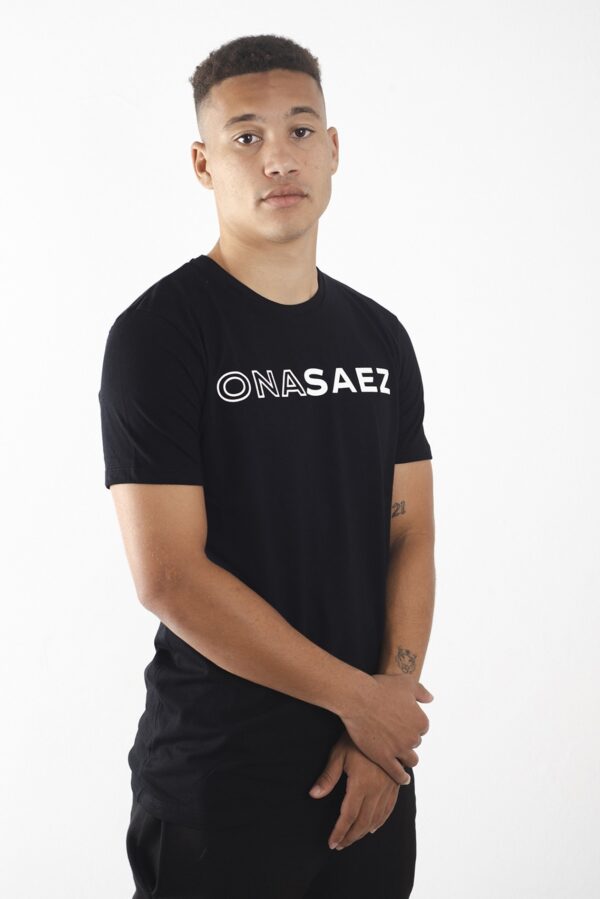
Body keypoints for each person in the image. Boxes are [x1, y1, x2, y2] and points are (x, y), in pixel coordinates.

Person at [98, 32, 436, 899]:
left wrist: (380, 723)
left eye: (300, 130)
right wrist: (361, 701)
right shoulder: (160, 336)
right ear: (203, 163)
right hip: (218, 785)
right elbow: (170, 575)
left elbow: (410, 537)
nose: (278, 157)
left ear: (334, 148)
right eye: (246, 136)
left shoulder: (379, 337)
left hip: (369, 777)